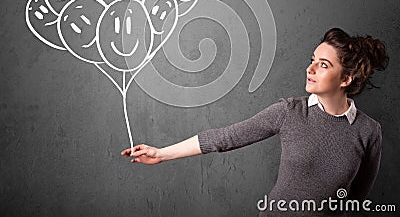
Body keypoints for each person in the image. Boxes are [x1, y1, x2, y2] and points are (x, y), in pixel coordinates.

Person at [121, 28, 388, 216]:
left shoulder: (368, 131)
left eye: (324, 65)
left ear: (346, 80)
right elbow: (224, 138)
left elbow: (357, 200)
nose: (310, 69)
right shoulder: (289, 112)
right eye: (312, 61)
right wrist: (161, 154)